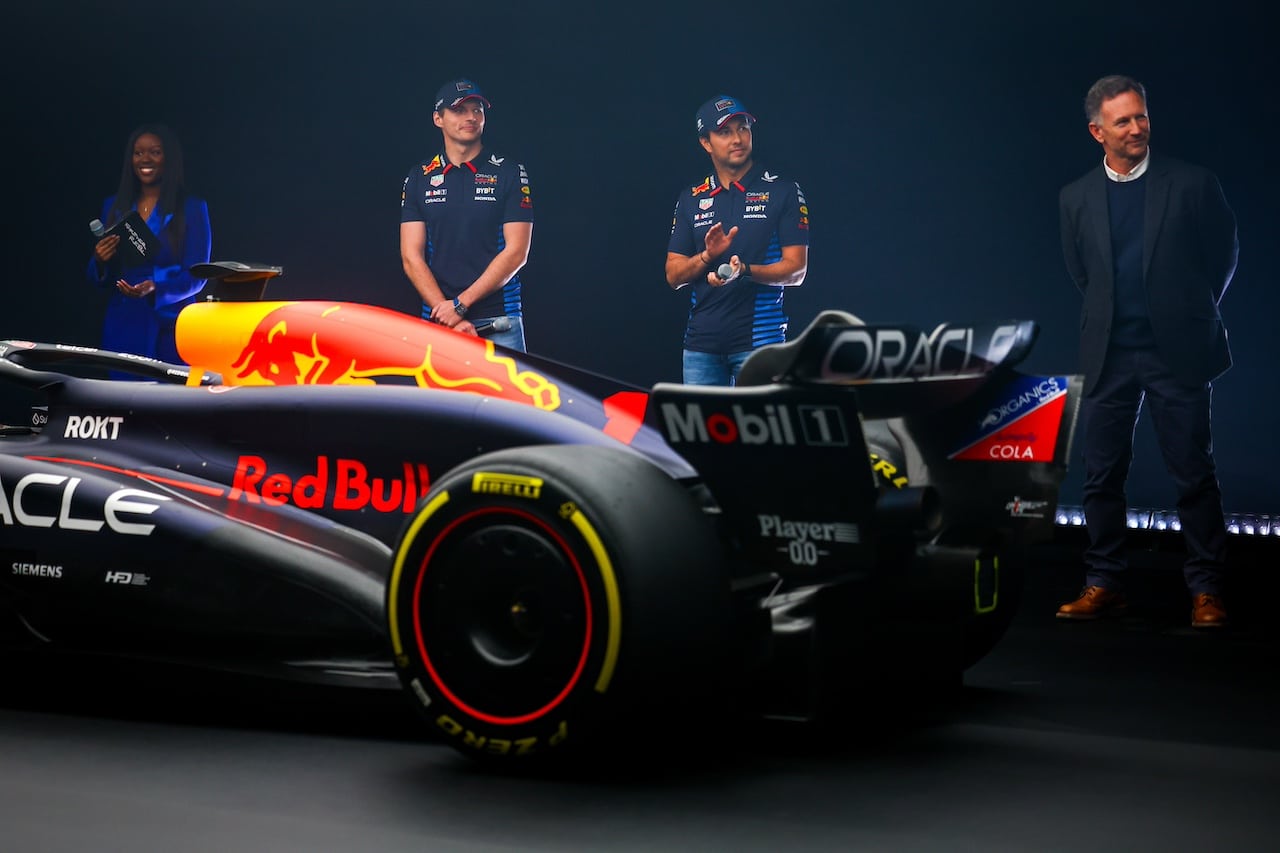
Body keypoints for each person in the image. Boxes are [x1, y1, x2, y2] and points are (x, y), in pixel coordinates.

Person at [1056, 75, 1238, 628]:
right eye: (1123, 121)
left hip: (1176, 352)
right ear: (1097, 132)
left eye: (1142, 117)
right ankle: (1103, 582)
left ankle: (1207, 591)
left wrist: (1184, 311)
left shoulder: (1192, 183)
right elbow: (1082, 271)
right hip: (1108, 352)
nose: (1137, 128)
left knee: (1193, 474)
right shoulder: (1075, 197)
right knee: (1100, 476)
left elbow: (1222, 255)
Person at [665, 95, 809, 386]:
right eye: (725, 132)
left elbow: (796, 271)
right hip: (700, 348)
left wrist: (744, 271)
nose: (737, 139)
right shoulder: (692, 197)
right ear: (706, 143)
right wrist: (706, 256)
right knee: (703, 433)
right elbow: (673, 276)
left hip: (761, 347)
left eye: (743, 128)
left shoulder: (783, 190)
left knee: (762, 432)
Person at [400, 78, 533, 352]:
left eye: (477, 110)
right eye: (459, 110)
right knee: (435, 398)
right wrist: (447, 314)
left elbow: (517, 252)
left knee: (510, 397)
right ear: (438, 118)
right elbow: (410, 257)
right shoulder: (419, 177)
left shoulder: (508, 171)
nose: (471, 117)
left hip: (499, 322)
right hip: (438, 321)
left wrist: (460, 306)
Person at [88, 123, 212, 366]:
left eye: (155, 152)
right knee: (124, 399)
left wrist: (157, 288)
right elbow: (100, 276)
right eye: (138, 153)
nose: (145, 159)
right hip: (125, 323)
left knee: (170, 401)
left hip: (172, 322)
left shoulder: (193, 208)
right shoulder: (113, 206)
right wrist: (100, 261)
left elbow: (198, 277)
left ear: (169, 158)